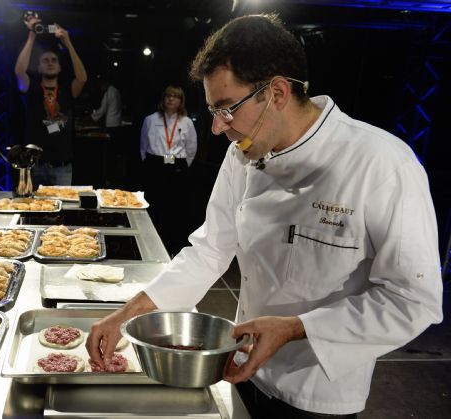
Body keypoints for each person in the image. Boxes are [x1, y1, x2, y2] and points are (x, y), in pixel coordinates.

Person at [87, 14, 443, 418]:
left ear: (276, 93)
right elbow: (210, 250)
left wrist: (295, 328)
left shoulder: (381, 162)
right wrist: (127, 313)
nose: (219, 128)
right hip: (244, 369)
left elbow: (413, 299)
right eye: (212, 111)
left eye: (227, 109)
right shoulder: (243, 154)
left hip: (318, 392)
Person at [14, 15, 87, 186]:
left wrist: (68, 43)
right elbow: (19, 72)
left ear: (60, 67)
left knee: (62, 212)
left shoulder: (67, 90)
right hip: (34, 166)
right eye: (45, 60)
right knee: (33, 212)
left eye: (54, 60)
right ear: (38, 67)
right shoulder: (31, 88)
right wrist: (32, 36)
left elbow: (82, 78)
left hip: (62, 167)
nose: (50, 63)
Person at [139, 85, 197, 253]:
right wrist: (151, 163)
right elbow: (143, 146)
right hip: (154, 166)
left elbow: (192, 148)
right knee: (153, 206)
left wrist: (182, 167)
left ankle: (171, 247)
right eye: (168, 96)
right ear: (163, 99)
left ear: (181, 101)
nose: (171, 99)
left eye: (175, 96)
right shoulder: (150, 119)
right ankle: (150, 246)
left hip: (176, 169)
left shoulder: (186, 122)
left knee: (175, 209)